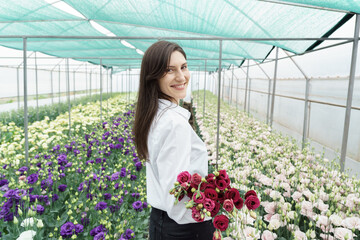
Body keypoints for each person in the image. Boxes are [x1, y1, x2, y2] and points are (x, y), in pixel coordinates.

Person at [133, 41, 215, 240]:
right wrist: (206, 212)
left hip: (162, 221)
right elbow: (175, 195)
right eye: (170, 70)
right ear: (153, 76)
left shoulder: (154, 114)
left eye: (183, 67)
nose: (181, 76)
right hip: (183, 227)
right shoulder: (173, 123)